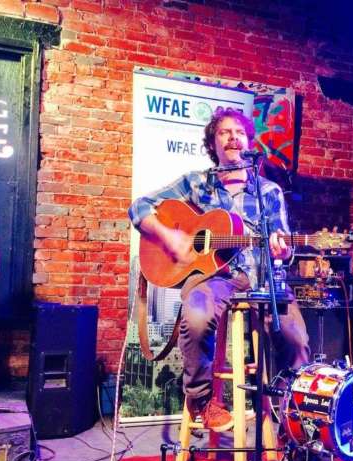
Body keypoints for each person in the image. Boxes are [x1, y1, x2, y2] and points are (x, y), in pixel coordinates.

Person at [129, 109, 310, 432]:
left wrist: (282, 249)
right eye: (224, 132)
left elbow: (284, 243)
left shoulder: (268, 192)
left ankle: (293, 418)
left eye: (239, 132)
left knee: (295, 338)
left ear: (249, 141)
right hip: (216, 279)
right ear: (213, 143)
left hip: (264, 278)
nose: (232, 137)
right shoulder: (197, 184)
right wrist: (169, 236)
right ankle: (202, 400)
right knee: (196, 317)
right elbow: (139, 207)